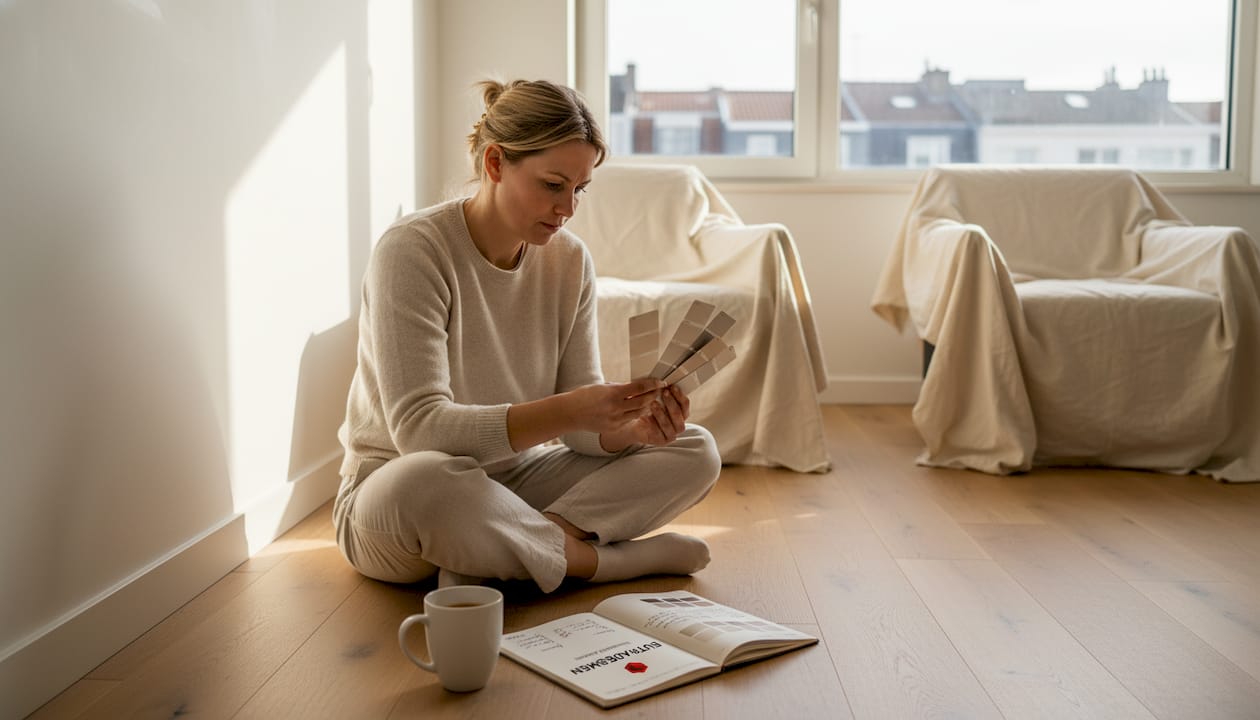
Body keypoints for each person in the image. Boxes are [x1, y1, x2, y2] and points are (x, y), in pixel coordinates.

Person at [332, 79, 721, 593]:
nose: (568, 209)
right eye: (553, 185)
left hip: (513, 484)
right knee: (429, 481)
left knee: (696, 450)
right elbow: (419, 431)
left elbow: (582, 434)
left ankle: (502, 554)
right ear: (495, 164)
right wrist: (571, 410)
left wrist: (629, 429)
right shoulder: (412, 252)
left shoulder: (570, 261)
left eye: (579, 190)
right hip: (397, 493)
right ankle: (607, 563)